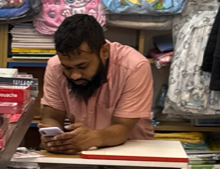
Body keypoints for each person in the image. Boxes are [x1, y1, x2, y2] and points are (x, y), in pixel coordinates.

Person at [39, 14, 155, 154]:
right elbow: (52, 116)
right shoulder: (55, 66)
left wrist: (95, 137)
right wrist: (52, 137)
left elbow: (123, 127)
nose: (75, 75)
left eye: (82, 66)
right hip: (81, 154)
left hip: (132, 152)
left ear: (104, 52)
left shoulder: (134, 66)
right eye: (67, 68)